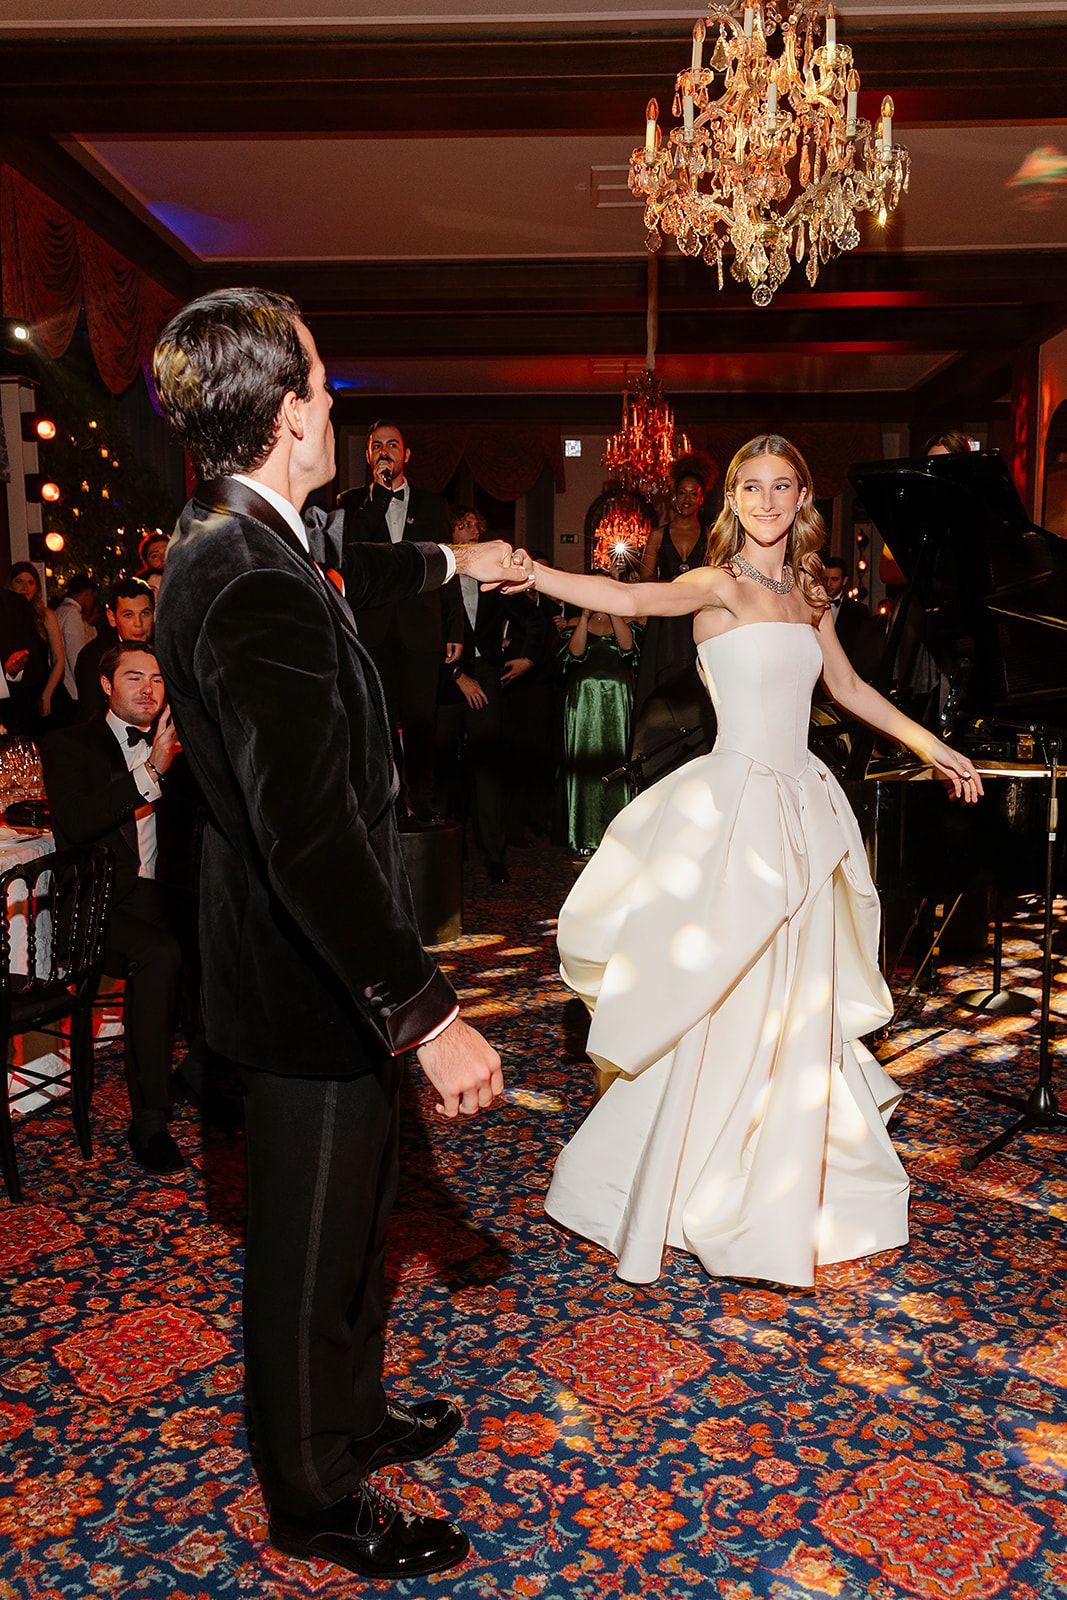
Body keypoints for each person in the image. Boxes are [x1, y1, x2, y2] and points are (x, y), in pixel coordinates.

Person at [152, 287, 523, 1581]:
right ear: (281, 412)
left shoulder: (245, 534)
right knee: (306, 1257)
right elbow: (306, 837)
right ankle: (312, 1496)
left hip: (321, 980)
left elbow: (352, 576)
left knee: (361, 1215)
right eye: (317, 379)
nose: (333, 395)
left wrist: (451, 563)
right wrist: (429, 1015)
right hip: (308, 984)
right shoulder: (243, 575)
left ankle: (353, 1415)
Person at [510, 434, 982, 1289]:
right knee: (717, 995)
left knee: (796, 1001)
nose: (767, 501)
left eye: (783, 487)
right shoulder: (714, 584)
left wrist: (931, 744)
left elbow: (845, 688)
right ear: (734, 500)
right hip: (732, 814)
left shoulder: (807, 593)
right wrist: (534, 574)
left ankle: (785, 1180)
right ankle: (682, 1179)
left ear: (803, 499)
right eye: (752, 488)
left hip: (802, 810)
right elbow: (624, 593)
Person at [40, 641, 185, 1173]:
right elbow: (77, 824)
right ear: (106, 685)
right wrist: (152, 770)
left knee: (234, 931)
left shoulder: (179, 742)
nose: (148, 689)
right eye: (133, 678)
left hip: (156, 891)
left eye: (157, 678)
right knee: (160, 953)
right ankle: (149, 1117)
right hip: (97, 902)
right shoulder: (69, 744)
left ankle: (202, 1070)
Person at [339, 420, 463, 825]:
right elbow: (350, 553)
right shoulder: (352, 501)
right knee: (381, 719)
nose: (385, 451)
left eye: (393, 445)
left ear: (406, 454)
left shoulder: (433, 504)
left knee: (421, 720)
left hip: (421, 626)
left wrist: (455, 629)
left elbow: (449, 567)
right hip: (372, 627)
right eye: (377, 445)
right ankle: (390, 799)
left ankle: (423, 799)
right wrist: (379, 497)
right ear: (368, 455)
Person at [435, 506, 549, 884]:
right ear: (450, 530)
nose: (469, 530)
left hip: (486, 675)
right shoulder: (434, 573)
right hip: (443, 678)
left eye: (475, 526)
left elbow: (536, 620)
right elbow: (420, 635)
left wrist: (527, 659)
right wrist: (457, 675)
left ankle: (494, 855)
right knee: (440, 767)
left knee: (487, 767)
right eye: (462, 523)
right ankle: (440, 852)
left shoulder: (495, 581)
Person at [630, 455, 717, 783]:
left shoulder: (711, 534)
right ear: (673, 495)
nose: (685, 499)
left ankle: (698, 756)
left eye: (692, 493)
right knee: (659, 687)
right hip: (664, 623)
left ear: (701, 498)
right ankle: (654, 760)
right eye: (681, 492)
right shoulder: (657, 534)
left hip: (696, 621)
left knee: (696, 688)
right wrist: (679, 587)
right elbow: (645, 580)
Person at [559, 589, 638, 856]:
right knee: (585, 762)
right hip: (584, 702)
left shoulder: (626, 620)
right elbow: (576, 652)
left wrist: (613, 608)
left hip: (617, 701)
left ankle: (619, 832)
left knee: (617, 762)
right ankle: (584, 834)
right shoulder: (574, 623)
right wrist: (583, 614)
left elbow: (628, 648)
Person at [75, 578, 154, 719]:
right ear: (112, 618)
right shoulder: (93, 657)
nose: (138, 623)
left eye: (145, 613)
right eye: (128, 615)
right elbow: (93, 715)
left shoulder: (165, 650)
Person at [8, 563, 66, 725]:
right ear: (10, 585)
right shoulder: (5, 617)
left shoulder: (46, 615)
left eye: (30, 582)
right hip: (13, 691)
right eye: (19, 581)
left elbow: (59, 660)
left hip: (43, 686)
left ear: (37, 587)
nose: (25, 587)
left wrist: (46, 695)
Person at [55, 575, 97, 702]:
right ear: (87, 593)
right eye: (92, 596)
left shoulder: (60, 610)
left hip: (64, 687)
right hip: (73, 690)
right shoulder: (72, 614)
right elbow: (77, 656)